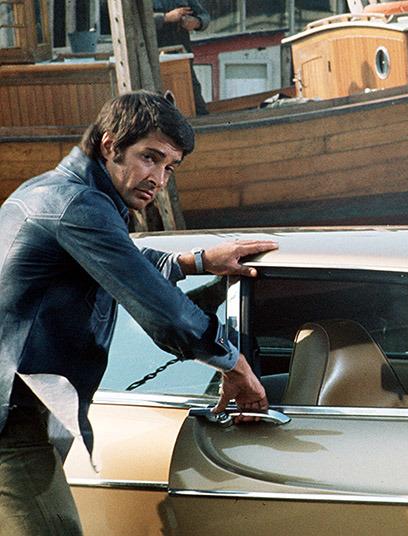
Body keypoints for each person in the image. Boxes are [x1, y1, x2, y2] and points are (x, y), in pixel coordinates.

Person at [0, 91, 277, 534]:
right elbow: (167, 315)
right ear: (110, 145)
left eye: (170, 167)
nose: (159, 179)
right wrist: (235, 365)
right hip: (12, 415)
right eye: (150, 158)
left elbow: (117, 260)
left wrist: (196, 262)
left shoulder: (51, 190)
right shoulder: (79, 206)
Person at [154, 0, 211, 115]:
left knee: (197, 105)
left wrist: (197, 22)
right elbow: (133, 21)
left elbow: (204, 16)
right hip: (154, 63)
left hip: (183, 60)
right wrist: (166, 17)